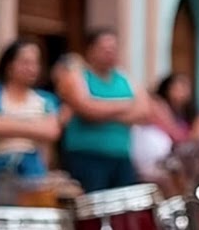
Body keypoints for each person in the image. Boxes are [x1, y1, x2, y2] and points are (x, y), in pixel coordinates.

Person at [57, 28, 151, 192]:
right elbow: (88, 109)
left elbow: (144, 111)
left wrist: (101, 108)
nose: (110, 53)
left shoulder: (126, 78)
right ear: (90, 50)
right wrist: (127, 105)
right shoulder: (77, 76)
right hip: (86, 158)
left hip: (121, 158)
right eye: (104, 49)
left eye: (113, 49)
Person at [0, 38, 63, 201]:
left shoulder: (45, 100)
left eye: (35, 63)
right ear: (9, 65)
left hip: (32, 172)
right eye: (25, 62)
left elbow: (52, 132)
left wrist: (3, 123)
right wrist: (34, 127)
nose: (32, 68)